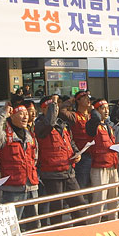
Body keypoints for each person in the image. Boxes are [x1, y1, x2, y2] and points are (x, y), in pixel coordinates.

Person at [35, 95, 87, 226]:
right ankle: (57, 232)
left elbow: (70, 141)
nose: (55, 109)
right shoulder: (40, 125)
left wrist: (76, 152)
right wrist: (53, 104)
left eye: (56, 106)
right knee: (57, 208)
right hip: (52, 173)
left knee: (79, 203)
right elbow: (49, 122)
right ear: (43, 110)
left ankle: (81, 229)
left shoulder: (62, 124)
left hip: (68, 170)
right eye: (51, 107)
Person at [0, 102, 40, 229]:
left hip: (32, 186)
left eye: (26, 114)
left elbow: (35, 155)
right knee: (12, 225)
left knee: (34, 224)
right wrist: (3, 112)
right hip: (13, 188)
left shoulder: (29, 134)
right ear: (11, 116)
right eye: (21, 114)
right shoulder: (6, 135)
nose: (25, 117)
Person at [85, 98, 119, 223]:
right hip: (99, 167)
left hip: (112, 165)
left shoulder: (108, 126)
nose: (106, 111)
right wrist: (93, 110)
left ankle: (113, 223)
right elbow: (95, 119)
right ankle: (94, 225)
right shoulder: (92, 125)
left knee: (113, 199)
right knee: (99, 200)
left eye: (107, 108)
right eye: (103, 108)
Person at [59, 90, 93, 192]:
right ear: (77, 100)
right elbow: (61, 111)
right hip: (82, 156)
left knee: (94, 186)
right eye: (84, 97)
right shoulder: (75, 116)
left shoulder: (92, 116)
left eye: (88, 97)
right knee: (81, 185)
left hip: (96, 155)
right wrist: (70, 101)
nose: (88, 99)